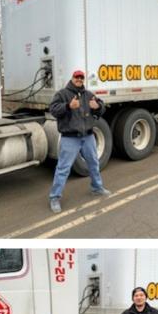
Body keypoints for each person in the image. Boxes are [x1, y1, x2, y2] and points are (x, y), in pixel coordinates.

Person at [48, 69, 111, 213]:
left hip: (88, 136)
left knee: (94, 163)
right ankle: (55, 197)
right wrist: (68, 106)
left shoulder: (88, 95)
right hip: (70, 138)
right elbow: (53, 109)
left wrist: (98, 107)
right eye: (77, 77)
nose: (79, 79)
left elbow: (101, 108)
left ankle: (97, 188)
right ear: (72, 78)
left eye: (81, 77)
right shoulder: (62, 94)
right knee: (63, 169)